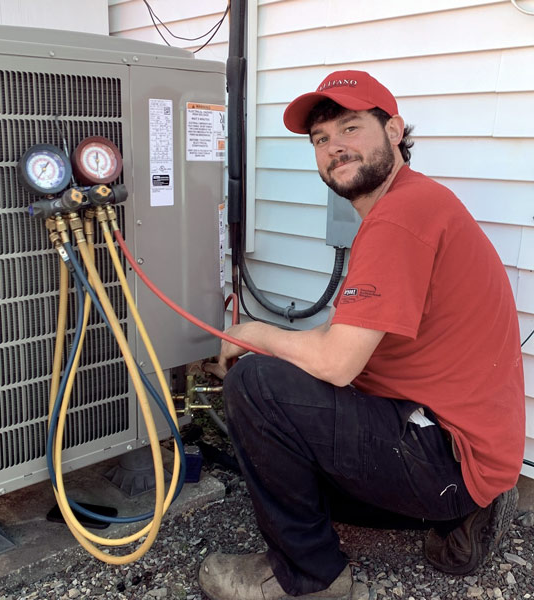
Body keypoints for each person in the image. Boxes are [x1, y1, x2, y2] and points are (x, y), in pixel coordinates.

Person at [198, 70, 525, 600]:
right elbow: (343, 333)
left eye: (351, 129)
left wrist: (256, 333)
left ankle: (309, 578)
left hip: (448, 450)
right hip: (466, 447)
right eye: (321, 139)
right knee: (291, 431)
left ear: (393, 131)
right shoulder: (413, 204)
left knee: (256, 385)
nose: (334, 148)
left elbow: (336, 363)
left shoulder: (399, 218)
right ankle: (462, 515)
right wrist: (277, 341)